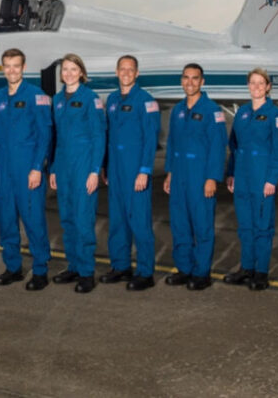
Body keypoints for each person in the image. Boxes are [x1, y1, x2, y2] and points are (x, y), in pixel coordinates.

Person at [0, 48, 53, 291]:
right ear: (3, 68)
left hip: (28, 168)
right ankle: (13, 267)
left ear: (24, 68)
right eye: (7, 66)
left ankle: (40, 270)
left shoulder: (37, 96)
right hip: (3, 170)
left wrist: (38, 168)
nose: (12, 70)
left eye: (16, 65)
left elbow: (45, 136)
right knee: (6, 221)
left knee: (33, 220)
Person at [222, 68, 278, 291]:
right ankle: (246, 268)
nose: (257, 87)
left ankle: (261, 273)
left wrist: (272, 179)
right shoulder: (241, 113)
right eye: (253, 83)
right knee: (245, 227)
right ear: (248, 86)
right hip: (242, 177)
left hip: (262, 179)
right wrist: (230, 173)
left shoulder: (275, 114)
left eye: (261, 83)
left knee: (263, 227)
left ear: (268, 87)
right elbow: (234, 146)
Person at [163, 63, 227, 291]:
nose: (190, 82)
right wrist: (169, 172)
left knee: (202, 226)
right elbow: (171, 143)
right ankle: (184, 268)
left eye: (195, 78)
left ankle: (201, 273)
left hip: (200, 176)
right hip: (179, 174)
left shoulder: (212, 110)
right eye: (186, 78)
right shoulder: (177, 110)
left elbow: (218, 146)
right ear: (182, 80)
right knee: (180, 224)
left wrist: (212, 178)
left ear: (202, 81)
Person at [100, 55, 161, 291]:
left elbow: (150, 139)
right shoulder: (113, 99)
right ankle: (121, 265)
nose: (126, 73)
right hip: (115, 170)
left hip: (136, 170)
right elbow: (108, 136)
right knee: (117, 221)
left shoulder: (146, 101)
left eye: (130, 69)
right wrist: (105, 166)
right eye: (122, 69)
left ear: (136, 74)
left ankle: (145, 272)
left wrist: (145, 170)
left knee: (140, 222)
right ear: (116, 72)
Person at [49, 54, 106, 294]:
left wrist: (95, 171)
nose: (69, 73)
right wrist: (52, 168)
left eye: (74, 69)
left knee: (83, 220)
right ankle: (73, 265)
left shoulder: (91, 99)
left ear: (81, 72)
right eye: (65, 70)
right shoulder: (57, 100)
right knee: (67, 219)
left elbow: (99, 136)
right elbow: (57, 139)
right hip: (63, 167)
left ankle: (86, 272)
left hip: (84, 167)